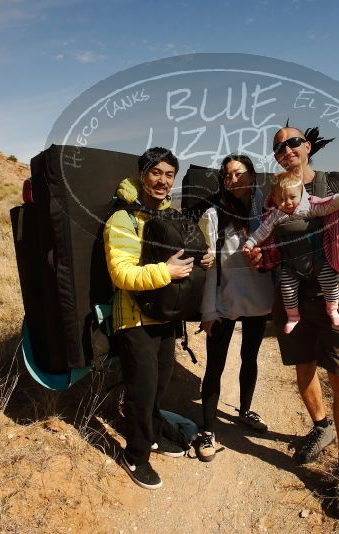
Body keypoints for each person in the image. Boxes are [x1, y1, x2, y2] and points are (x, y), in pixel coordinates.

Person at [247, 126, 339, 519]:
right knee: (303, 370)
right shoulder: (271, 196)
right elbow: (269, 247)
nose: (285, 149)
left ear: (307, 147)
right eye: (277, 147)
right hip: (291, 296)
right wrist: (260, 259)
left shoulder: (337, 182)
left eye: (292, 142)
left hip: (335, 295)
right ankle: (320, 425)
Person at [103, 147, 213, 490]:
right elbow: (120, 274)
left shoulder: (172, 216)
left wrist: (202, 259)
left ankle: (149, 429)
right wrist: (165, 271)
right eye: (156, 173)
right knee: (143, 386)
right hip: (134, 319)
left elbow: (187, 256)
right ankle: (136, 455)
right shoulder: (123, 219)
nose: (163, 180)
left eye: (169, 174)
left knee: (160, 381)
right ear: (142, 174)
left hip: (165, 316)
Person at [195, 155, 274, 463]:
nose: (234, 180)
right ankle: (208, 429)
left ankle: (244, 411)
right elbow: (211, 269)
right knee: (215, 365)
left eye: (239, 174)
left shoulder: (268, 211)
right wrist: (208, 311)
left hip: (259, 301)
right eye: (228, 176)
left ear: (252, 176)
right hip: (225, 303)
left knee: (249, 358)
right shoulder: (214, 215)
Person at [242, 171, 339, 333]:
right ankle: (293, 316)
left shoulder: (309, 208)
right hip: (292, 265)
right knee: (287, 288)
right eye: (282, 199)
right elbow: (262, 231)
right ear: (274, 198)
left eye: (292, 197)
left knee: (329, 282)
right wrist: (250, 243)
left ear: (301, 194)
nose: (287, 202)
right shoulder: (276, 216)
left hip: (318, 260)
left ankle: (332, 308)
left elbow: (326, 205)